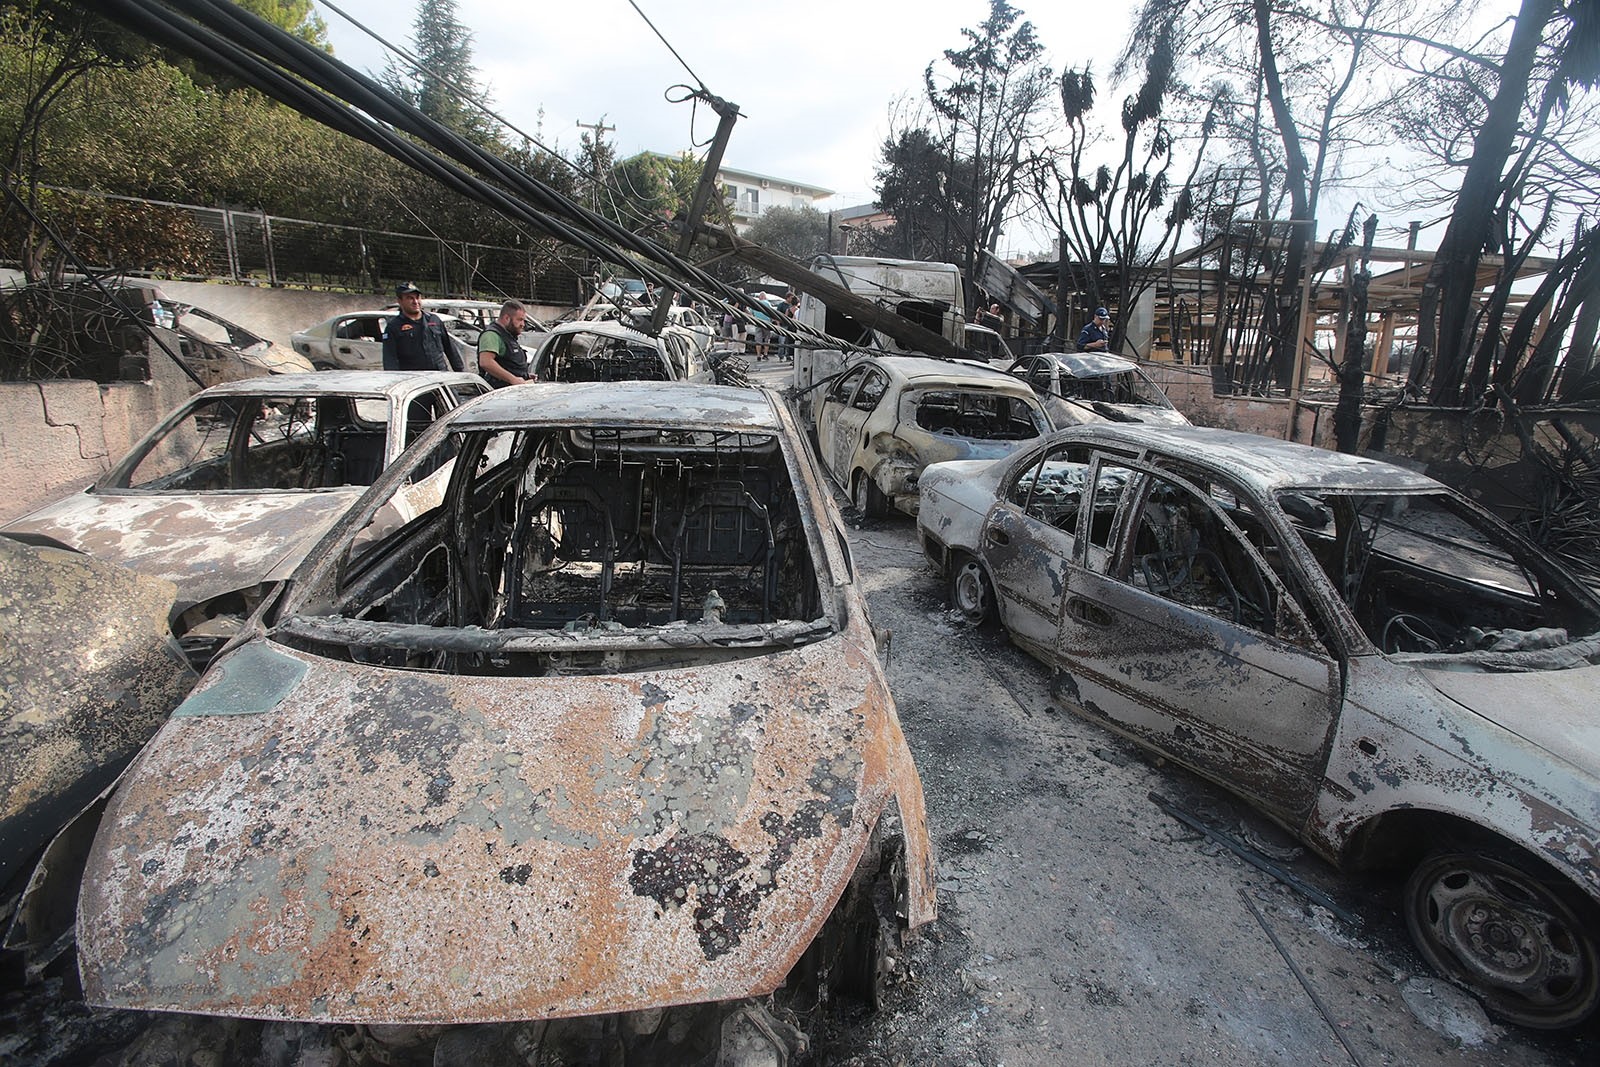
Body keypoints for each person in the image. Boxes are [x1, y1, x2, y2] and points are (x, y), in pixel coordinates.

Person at [383, 282, 465, 372]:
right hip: (416, 379)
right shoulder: (394, 327)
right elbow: (390, 359)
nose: (415, 302)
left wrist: (460, 372)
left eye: (417, 297)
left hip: (440, 375)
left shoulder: (434, 320)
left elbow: (450, 348)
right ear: (400, 301)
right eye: (410, 298)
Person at [477, 299, 533, 387]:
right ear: (507, 318)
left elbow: (509, 365)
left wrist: (525, 376)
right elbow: (486, 362)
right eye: (519, 320)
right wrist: (513, 379)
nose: (523, 324)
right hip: (499, 393)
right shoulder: (491, 335)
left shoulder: (508, 335)